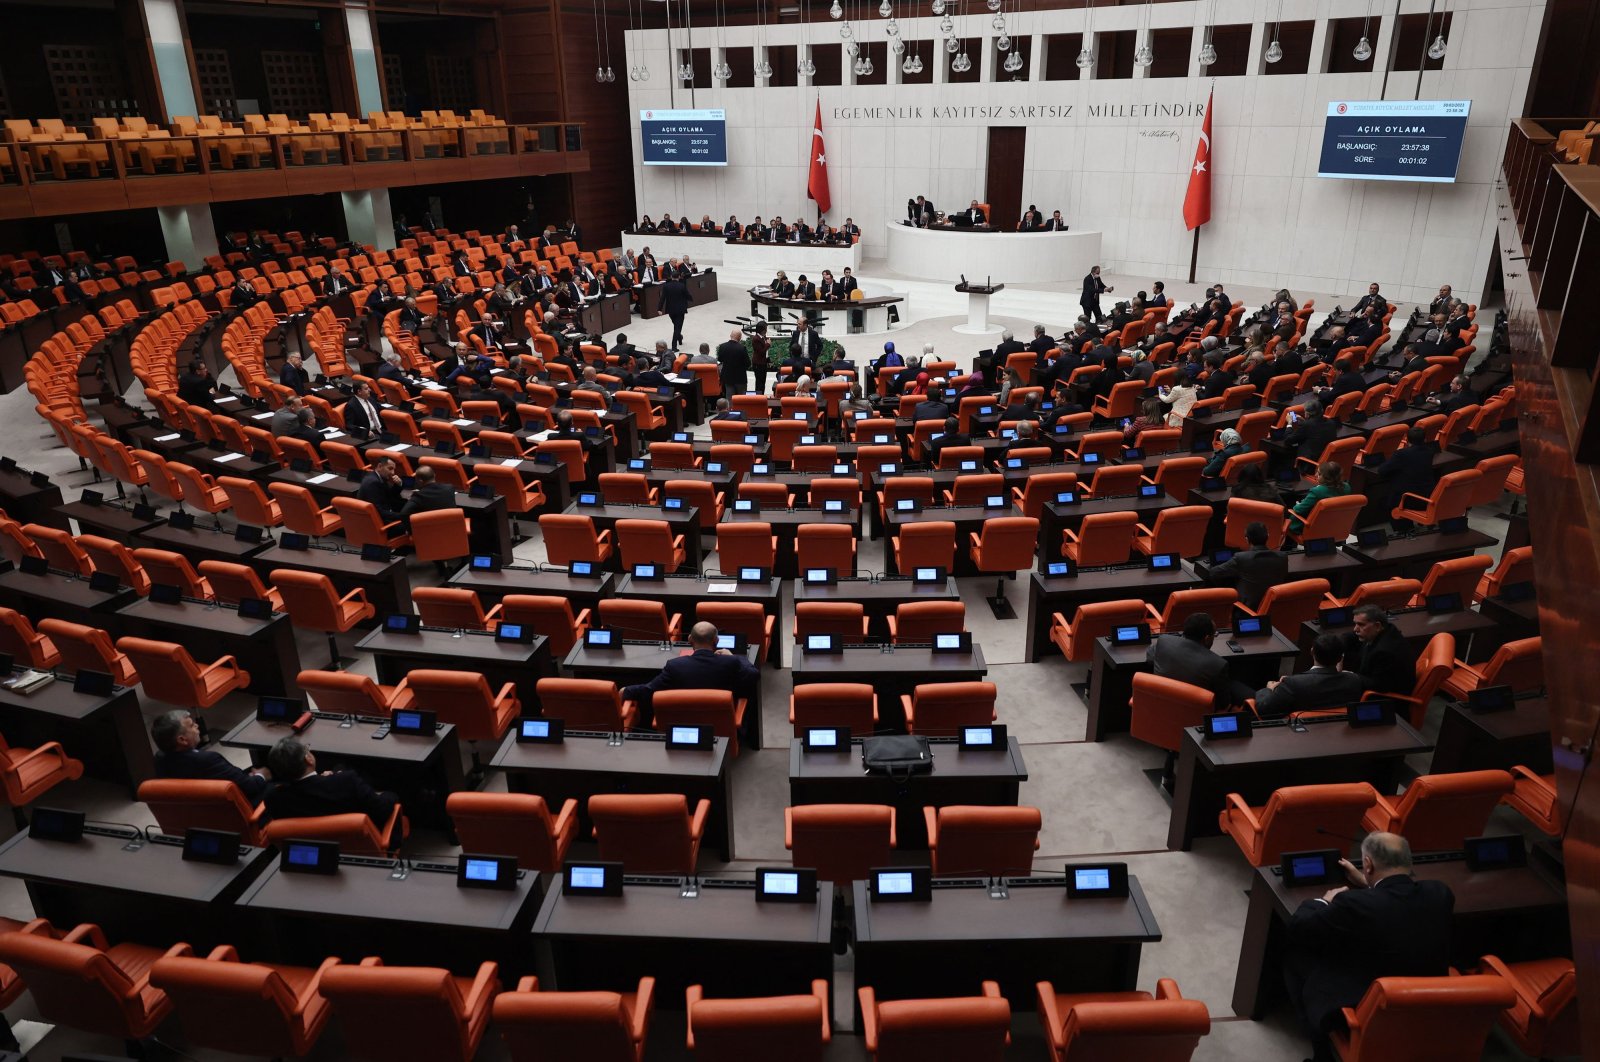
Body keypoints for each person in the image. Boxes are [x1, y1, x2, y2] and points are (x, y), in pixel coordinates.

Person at [1285, 832, 1453, 1062]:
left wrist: (1324, 901)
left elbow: (1300, 927)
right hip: (1430, 1001)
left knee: (1296, 955)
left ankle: (1322, 1054)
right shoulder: (1440, 893)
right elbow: (1396, 903)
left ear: (1367, 864)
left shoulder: (1354, 904)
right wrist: (1370, 884)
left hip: (1369, 1004)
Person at [620, 622, 761, 735]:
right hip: (721, 730)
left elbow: (649, 691)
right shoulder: (731, 663)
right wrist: (733, 656)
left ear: (689, 640)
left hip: (683, 729)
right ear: (716, 640)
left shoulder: (675, 666)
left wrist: (626, 690)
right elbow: (753, 675)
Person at [264, 736, 403, 830]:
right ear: (309, 759)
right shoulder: (347, 781)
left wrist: (327, 780)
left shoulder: (273, 798)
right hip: (363, 847)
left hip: (312, 852)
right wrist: (386, 795)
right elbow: (382, 810)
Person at [151, 709, 269, 804]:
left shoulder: (160, 759)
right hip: (237, 813)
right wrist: (261, 775)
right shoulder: (207, 760)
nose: (197, 726)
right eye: (192, 726)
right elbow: (250, 788)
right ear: (182, 740)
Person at [1147, 613, 1253, 710]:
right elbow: (1223, 705)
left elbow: (1150, 658)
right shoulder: (1218, 664)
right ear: (1207, 638)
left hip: (1161, 706)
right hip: (1195, 715)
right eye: (1214, 635)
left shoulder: (1164, 641)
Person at [1254, 633, 1367, 718]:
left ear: (1312, 652)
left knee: (1236, 686)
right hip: (1338, 731)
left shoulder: (1293, 683)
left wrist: (1270, 689)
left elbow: (1264, 710)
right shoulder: (1354, 680)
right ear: (1340, 658)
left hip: (1294, 730)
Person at [1208, 521, 1288, 609]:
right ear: (1268, 536)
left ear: (1247, 539)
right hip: (1273, 607)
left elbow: (1214, 573)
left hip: (1245, 610)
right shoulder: (1282, 557)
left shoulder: (1241, 558)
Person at [1339, 605, 1417, 695]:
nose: (1355, 629)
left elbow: (1379, 685)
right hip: (1374, 678)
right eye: (1355, 624)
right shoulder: (1385, 629)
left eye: (1361, 624)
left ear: (1377, 625)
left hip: (1387, 700)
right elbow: (1348, 637)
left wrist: (1351, 676)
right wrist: (1338, 650)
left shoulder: (1384, 651)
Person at [1289, 460, 1351, 533]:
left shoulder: (1317, 491)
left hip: (1311, 528)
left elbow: (1298, 510)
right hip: (1334, 526)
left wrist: (1297, 505)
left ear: (1326, 477)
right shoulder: (1347, 487)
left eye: (1319, 474)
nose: (1315, 475)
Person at [1283, 397, 1339, 464]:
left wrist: (1289, 423)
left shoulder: (1307, 425)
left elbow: (1288, 440)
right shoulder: (1331, 423)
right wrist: (1305, 422)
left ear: (1307, 414)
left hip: (1308, 463)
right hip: (1325, 462)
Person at [359, 455, 405, 523]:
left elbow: (389, 496)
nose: (393, 473)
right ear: (380, 466)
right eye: (390, 468)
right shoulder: (373, 483)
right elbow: (380, 512)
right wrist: (402, 516)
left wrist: (398, 485)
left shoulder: (375, 477)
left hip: (383, 514)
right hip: (380, 522)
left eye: (394, 469)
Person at [717, 328, 750, 396]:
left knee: (729, 400)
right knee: (741, 400)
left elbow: (720, 359)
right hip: (740, 379)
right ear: (740, 337)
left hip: (727, 378)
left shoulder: (722, 346)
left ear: (730, 335)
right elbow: (748, 363)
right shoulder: (742, 348)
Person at [661, 274, 690, 349]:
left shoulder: (666, 286)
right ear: (679, 277)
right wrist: (690, 299)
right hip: (680, 310)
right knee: (677, 327)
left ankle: (679, 337)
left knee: (677, 326)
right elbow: (688, 295)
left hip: (670, 310)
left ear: (671, 277)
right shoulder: (682, 285)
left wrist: (659, 309)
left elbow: (662, 298)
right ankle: (674, 346)